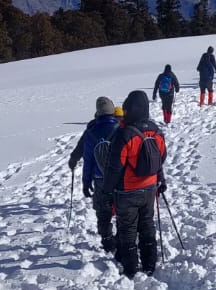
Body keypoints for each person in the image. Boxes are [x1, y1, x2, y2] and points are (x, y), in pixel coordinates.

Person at [105, 91, 167, 278]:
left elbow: (114, 167)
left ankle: (130, 268)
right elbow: (160, 158)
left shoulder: (124, 133)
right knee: (147, 225)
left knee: (127, 229)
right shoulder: (156, 131)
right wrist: (160, 179)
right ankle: (149, 264)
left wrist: (107, 191)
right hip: (150, 188)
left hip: (127, 191)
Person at [66, 96, 122, 252]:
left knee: (103, 210)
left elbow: (88, 161)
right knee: (121, 208)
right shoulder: (121, 129)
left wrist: (85, 182)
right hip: (119, 178)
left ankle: (107, 240)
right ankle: (121, 237)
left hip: (99, 179)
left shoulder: (91, 131)